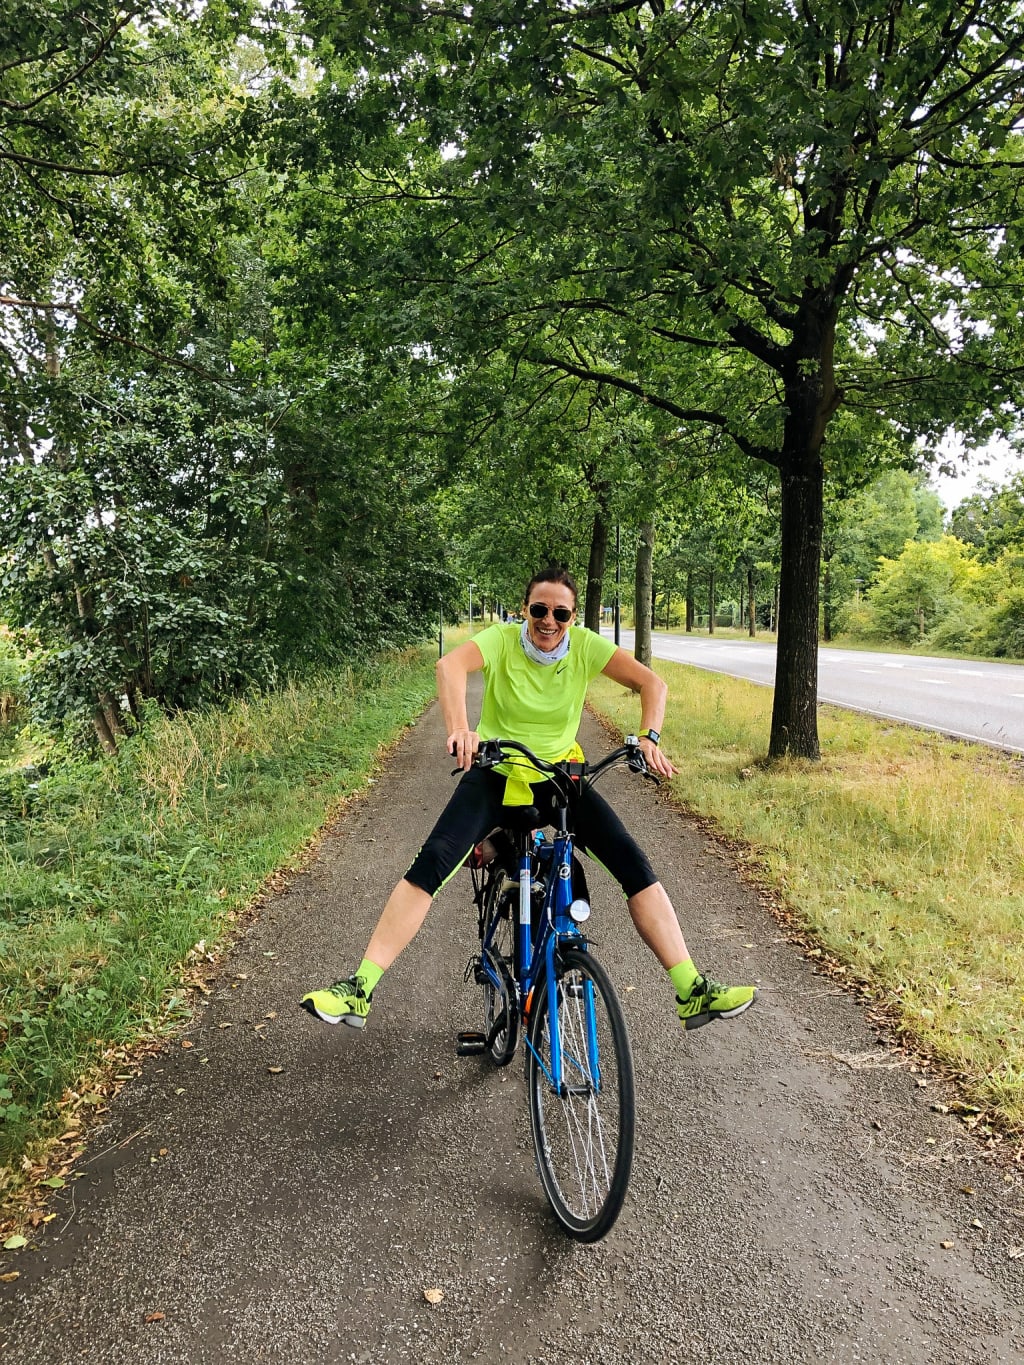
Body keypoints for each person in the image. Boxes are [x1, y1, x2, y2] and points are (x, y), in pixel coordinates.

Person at [301, 567, 756, 1032]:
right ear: (525, 610)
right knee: (433, 861)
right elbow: (449, 666)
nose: (549, 620)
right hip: (496, 773)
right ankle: (360, 987)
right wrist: (461, 728)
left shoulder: (584, 647)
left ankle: (690, 989)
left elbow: (652, 684)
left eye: (561, 613)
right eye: (539, 609)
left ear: (573, 617)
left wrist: (648, 737)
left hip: (559, 777)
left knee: (633, 864)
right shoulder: (502, 640)